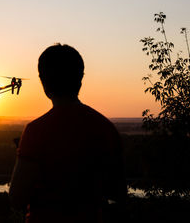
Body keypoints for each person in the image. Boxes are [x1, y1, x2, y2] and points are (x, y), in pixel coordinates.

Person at [9, 43, 127, 223]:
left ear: (43, 82)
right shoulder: (105, 128)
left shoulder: (35, 132)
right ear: (80, 78)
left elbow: (17, 199)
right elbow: (118, 193)